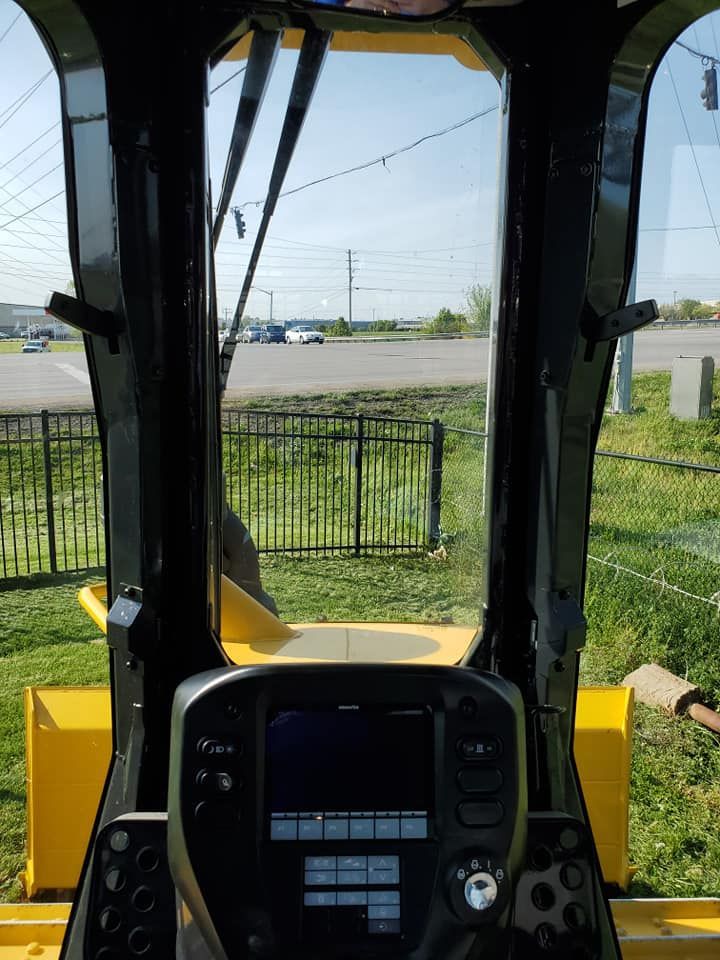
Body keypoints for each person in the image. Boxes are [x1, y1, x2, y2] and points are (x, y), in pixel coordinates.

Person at [222, 502, 278, 615]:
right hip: (246, 582)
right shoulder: (225, 519)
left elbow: (226, 565)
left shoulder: (222, 522)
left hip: (243, 586)